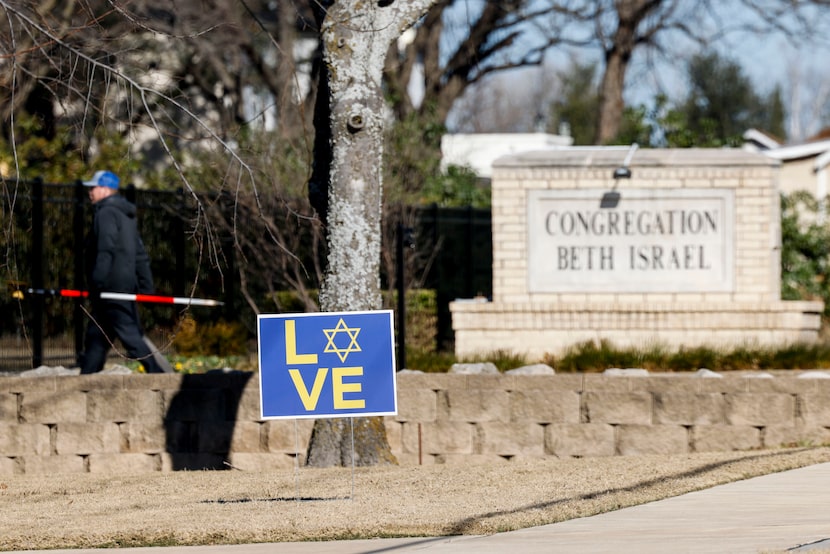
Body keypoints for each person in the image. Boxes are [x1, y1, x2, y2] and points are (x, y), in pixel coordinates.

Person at [79, 170, 166, 374]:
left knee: (129, 334)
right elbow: (140, 254)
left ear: (105, 189)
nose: (90, 192)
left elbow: (105, 248)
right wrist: (146, 286)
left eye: (93, 188)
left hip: (110, 287)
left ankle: (157, 374)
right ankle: (86, 378)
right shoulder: (126, 216)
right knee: (96, 336)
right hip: (122, 285)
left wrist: (97, 281)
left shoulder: (106, 213)